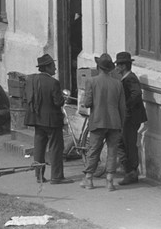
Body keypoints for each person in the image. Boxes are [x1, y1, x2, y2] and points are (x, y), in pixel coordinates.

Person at [24, 54, 74, 185]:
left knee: (39, 147)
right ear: (47, 67)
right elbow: (58, 102)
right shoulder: (53, 83)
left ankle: (39, 175)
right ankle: (56, 176)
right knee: (56, 148)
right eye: (53, 66)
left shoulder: (31, 79)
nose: (55, 68)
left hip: (36, 119)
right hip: (51, 120)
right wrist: (64, 99)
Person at [80, 53, 126, 191]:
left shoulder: (91, 81)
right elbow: (122, 107)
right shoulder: (118, 84)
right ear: (110, 68)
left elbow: (87, 103)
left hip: (98, 120)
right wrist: (121, 124)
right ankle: (110, 181)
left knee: (94, 150)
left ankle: (89, 179)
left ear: (98, 67)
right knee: (112, 151)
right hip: (114, 122)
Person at [114, 52, 147, 185]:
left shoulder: (130, 79)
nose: (116, 67)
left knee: (128, 144)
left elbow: (136, 93)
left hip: (130, 117)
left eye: (118, 65)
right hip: (128, 117)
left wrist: (126, 107)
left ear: (123, 66)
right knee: (122, 142)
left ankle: (132, 172)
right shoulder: (126, 78)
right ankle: (128, 169)